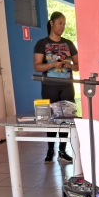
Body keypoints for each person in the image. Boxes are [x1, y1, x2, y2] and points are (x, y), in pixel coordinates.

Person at [34, 11, 79, 162]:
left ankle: (62, 151)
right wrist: (53, 64)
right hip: (49, 86)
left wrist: (69, 65)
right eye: (60, 23)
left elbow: (79, 66)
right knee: (50, 119)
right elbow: (37, 67)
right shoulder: (42, 43)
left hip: (67, 85)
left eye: (64, 24)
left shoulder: (69, 44)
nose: (63, 27)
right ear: (52, 23)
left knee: (65, 119)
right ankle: (50, 150)